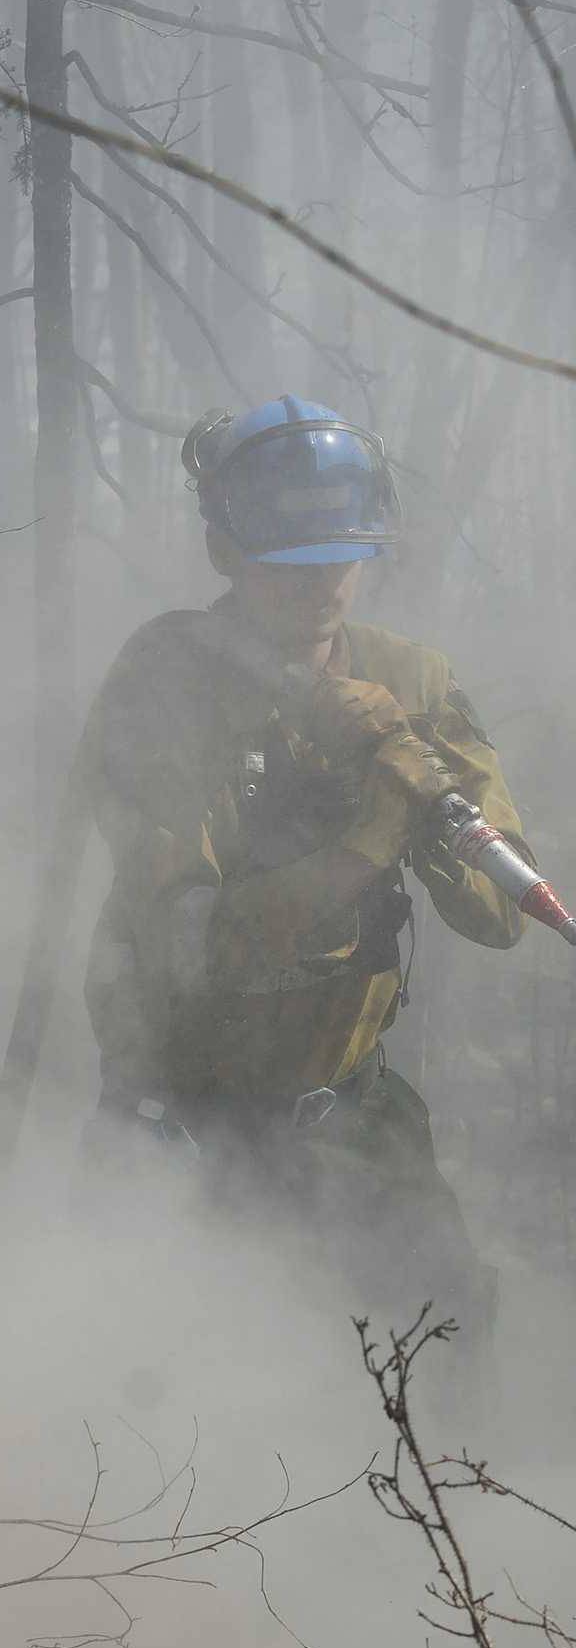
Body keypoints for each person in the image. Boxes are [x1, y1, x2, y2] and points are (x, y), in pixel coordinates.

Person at [78, 394, 527, 1335]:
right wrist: (371, 837)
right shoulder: (161, 685)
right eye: (290, 563)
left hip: (351, 1115)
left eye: (341, 557)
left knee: (448, 1349)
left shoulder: (412, 681)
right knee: (160, 1415)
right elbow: (191, 952)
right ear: (225, 555)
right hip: (184, 1132)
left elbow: (501, 914)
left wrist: (419, 776)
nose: (322, 586)